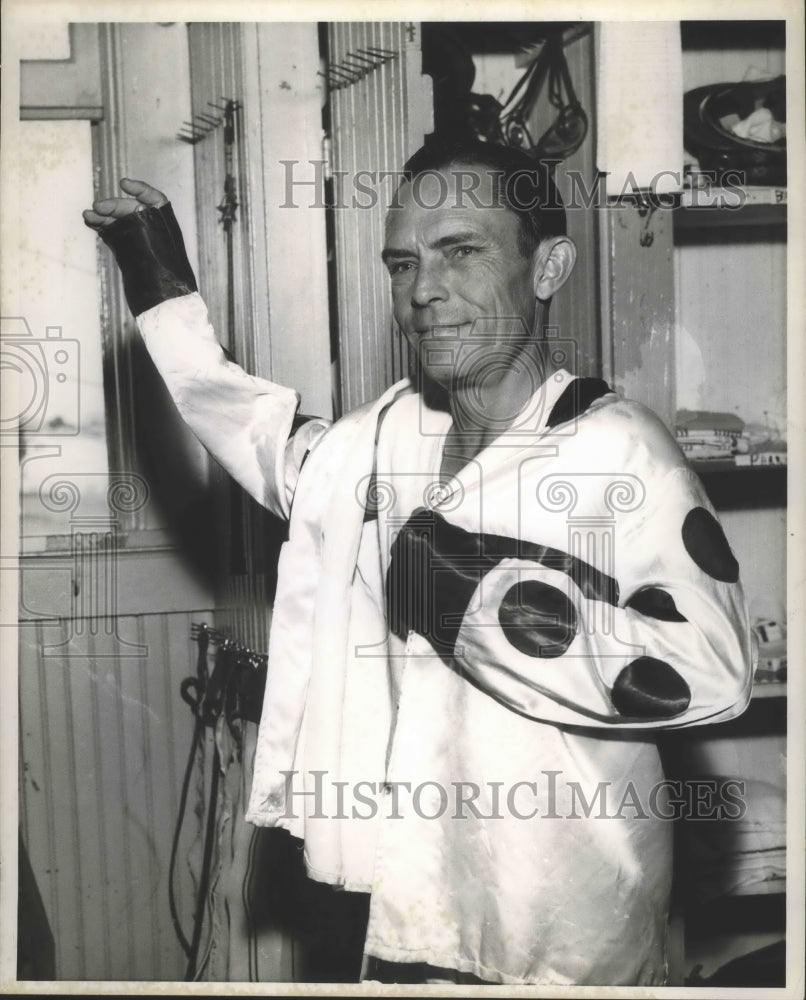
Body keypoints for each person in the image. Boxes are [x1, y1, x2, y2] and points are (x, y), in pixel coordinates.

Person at [84, 138, 755, 986]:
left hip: (563, 921)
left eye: (462, 252)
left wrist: (481, 601)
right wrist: (164, 295)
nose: (424, 291)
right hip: (409, 907)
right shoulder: (383, 439)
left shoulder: (616, 447)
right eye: (403, 263)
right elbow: (267, 442)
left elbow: (718, 666)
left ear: (548, 267)